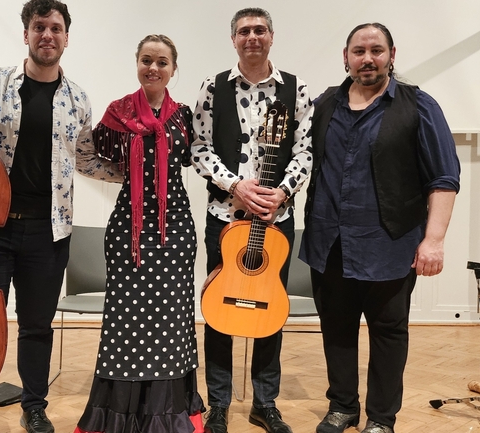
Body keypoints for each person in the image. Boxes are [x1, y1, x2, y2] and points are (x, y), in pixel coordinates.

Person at [299, 23, 460, 433]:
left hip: (391, 244)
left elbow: (443, 177)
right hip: (329, 241)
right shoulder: (323, 106)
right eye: (359, 51)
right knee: (337, 329)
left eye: (376, 50)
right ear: (346, 57)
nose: (367, 58)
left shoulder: (419, 106)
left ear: (391, 54)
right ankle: (343, 406)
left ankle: (382, 418)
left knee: (389, 333)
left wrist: (434, 241)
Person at [0, 1, 91, 432]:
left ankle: (34, 405)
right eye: (40, 26)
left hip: (48, 231)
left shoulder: (77, 98)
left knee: (36, 325)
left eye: (56, 28)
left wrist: (139, 170)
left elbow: (86, 159)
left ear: (66, 37)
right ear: (26, 34)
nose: (48, 34)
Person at [190, 7, 314, 433]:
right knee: (219, 306)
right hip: (224, 215)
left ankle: (266, 402)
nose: (252, 37)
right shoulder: (213, 87)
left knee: (269, 307)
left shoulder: (295, 89)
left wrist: (281, 192)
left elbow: (305, 151)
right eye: (244, 31)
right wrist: (235, 186)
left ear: (272, 36)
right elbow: (199, 149)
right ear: (234, 39)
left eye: (260, 30)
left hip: (275, 219)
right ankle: (219, 403)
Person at [74, 34, 204, 433]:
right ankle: (121, 414)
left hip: (175, 231)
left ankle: (168, 413)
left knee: (172, 323)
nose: (154, 68)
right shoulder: (118, 112)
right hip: (129, 233)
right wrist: (125, 176)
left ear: (173, 69)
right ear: (137, 63)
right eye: (147, 60)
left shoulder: (183, 116)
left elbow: (200, 158)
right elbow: (84, 156)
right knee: (125, 324)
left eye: (162, 62)